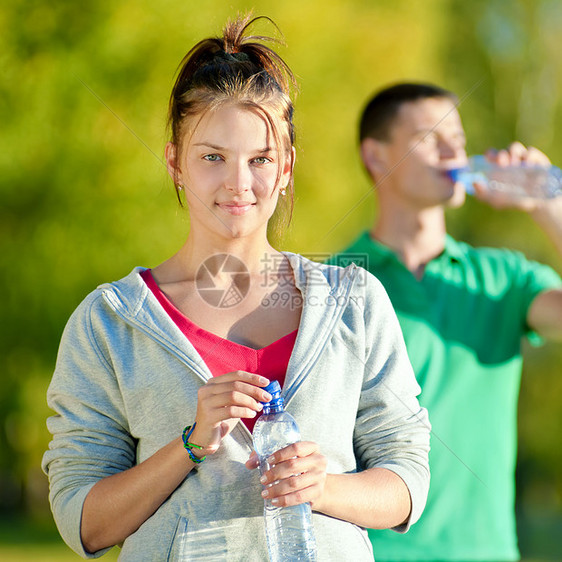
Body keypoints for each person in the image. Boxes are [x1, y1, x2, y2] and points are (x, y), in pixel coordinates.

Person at [41, 18, 431, 561]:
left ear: (287, 167)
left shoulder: (355, 303)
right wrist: (190, 444)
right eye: (212, 157)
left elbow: (407, 480)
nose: (238, 183)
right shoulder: (109, 321)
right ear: (175, 162)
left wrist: (325, 487)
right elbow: (82, 519)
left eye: (260, 159)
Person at [329, 82, 562, 561]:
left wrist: (547, 202)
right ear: (376, 156)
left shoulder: (504, 278)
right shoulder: (330, 285)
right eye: (431, 137)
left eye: (457, 136)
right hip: (368, 551)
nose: (454, 150)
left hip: (488, 551)